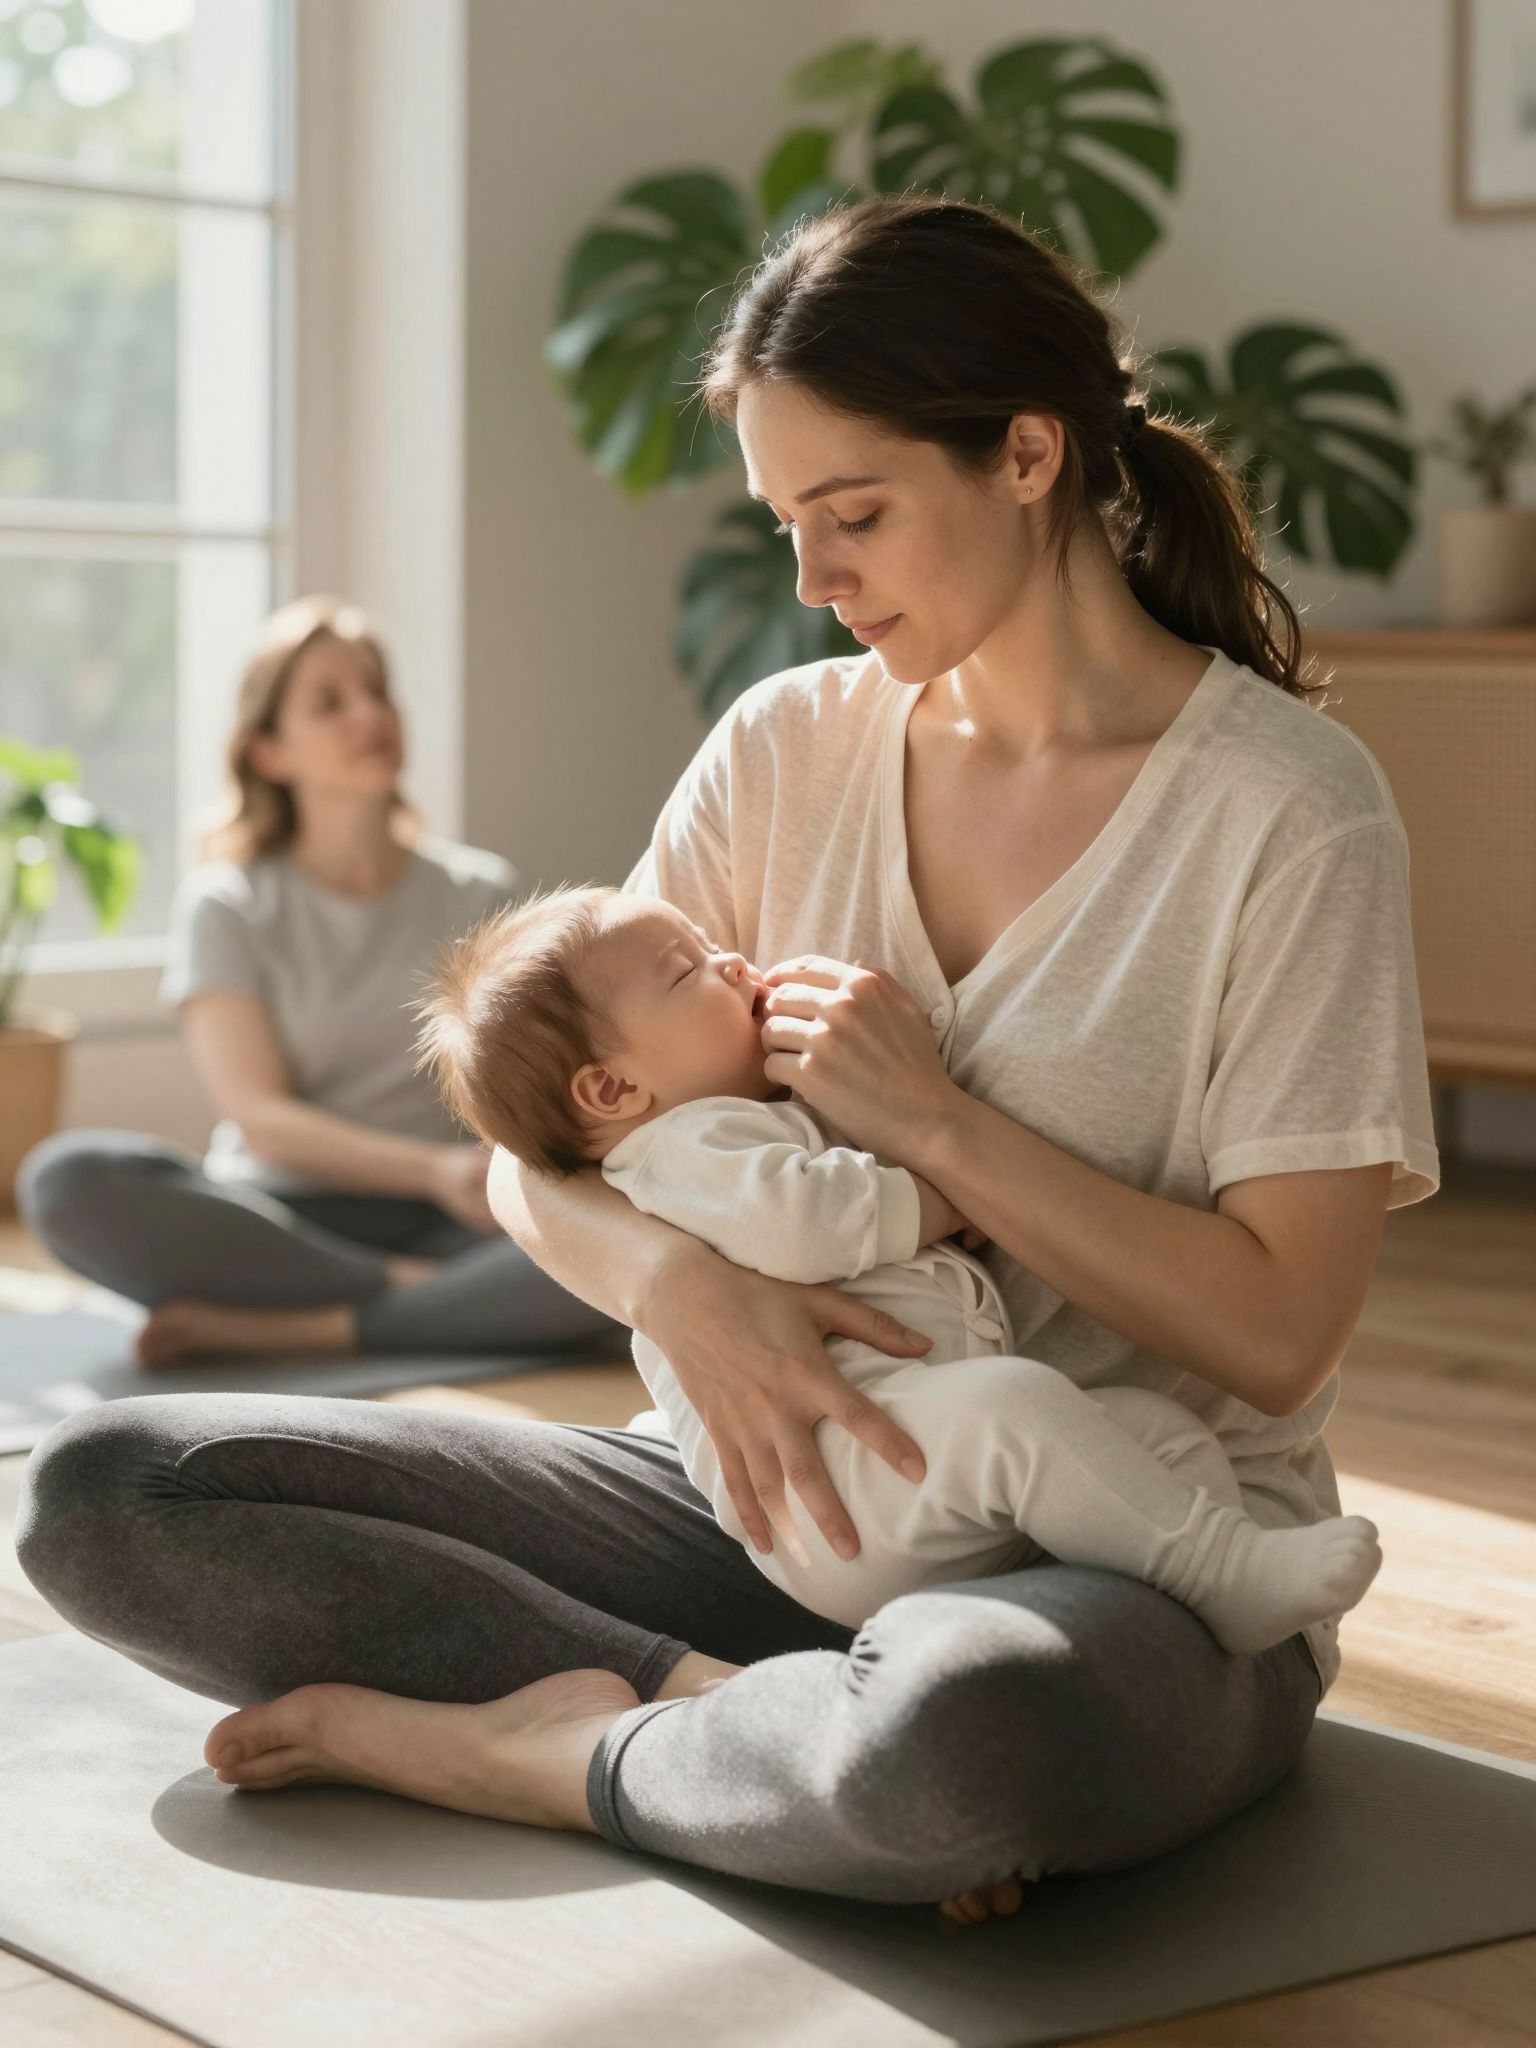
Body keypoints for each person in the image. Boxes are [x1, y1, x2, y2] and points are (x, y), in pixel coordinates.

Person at [15, 195, 1439, 1924]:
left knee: (965, 1734)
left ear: (1028, 455)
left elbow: (1281, 1323)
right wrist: (684, 1293)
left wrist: (937, 1126)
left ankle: (544, 1752)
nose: (811, 578)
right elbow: (533, 1143)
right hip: (768, 1488)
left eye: (852, 514)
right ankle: (701, 1710)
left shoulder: (1284, 809)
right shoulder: (783, 747)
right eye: (784, 521)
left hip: (1118, 1550)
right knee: (113, 1491)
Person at [413, 879, 1383, 1651]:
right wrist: (941, 1195)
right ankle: (1217, 1575)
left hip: (909, 1465)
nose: (734, 960)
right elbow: (803, 1220)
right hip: (844, 1487)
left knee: (1149, 1431)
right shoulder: (679, 1150)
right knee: (1018, 1405)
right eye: (691, 968)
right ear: (613, 1085)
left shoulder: (726, 1122)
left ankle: (1210, 1577)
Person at [16, 593, 629, 1371]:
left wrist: (501, 1184)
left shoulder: (480, 894)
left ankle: (298, 1328)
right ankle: (422, 1298)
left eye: (377, 689)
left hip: (456, 1217)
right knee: (65, 1181)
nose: (368, 714)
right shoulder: (228, 902)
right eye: (330, 702)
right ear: (270, 751)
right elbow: (261, 1117)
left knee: (627, 1240)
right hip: (277, 1218)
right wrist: (432, 1171)